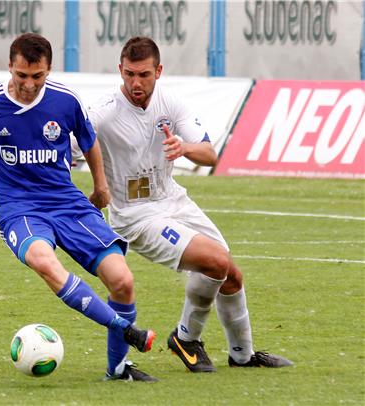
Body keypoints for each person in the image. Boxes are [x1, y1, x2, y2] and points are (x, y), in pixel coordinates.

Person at [0, 33, 157, 382]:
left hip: (67, 203)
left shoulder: (65, 101)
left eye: (37, 76)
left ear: (48, 70)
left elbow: (88, 140)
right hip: (19, 209)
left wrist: (100, 186)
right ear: (10, 66)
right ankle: (124, 328)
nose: (28, 84)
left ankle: (117, 371)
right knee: (44, 261)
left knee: (123, 281)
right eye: (21, 75)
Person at [85, 36, 293, 372]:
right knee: (214, 262)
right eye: (129, 74)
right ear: (120, 70)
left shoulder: (171, 103)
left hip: (172, 199)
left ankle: (242, 356)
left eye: (144, 75)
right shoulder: (103, 112)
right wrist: (99, 184)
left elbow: (209, 155)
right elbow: (78, 142)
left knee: (231, 276)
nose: (136, 83)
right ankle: (185, 338)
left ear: (159, 71)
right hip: (136, 216)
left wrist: (183, 149)